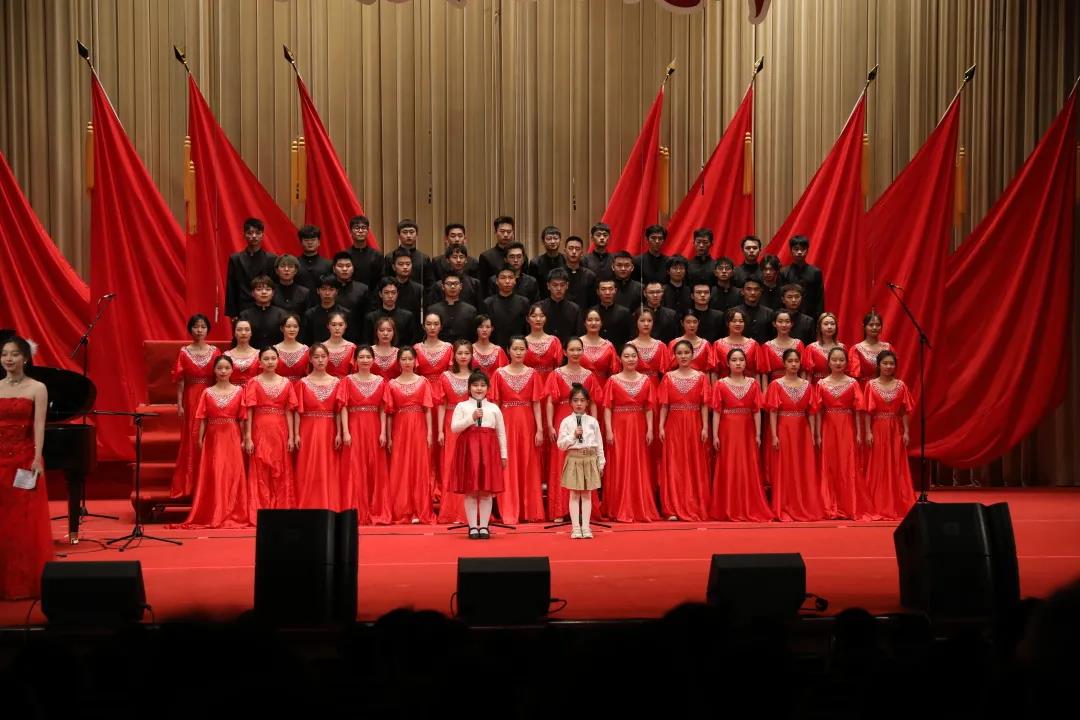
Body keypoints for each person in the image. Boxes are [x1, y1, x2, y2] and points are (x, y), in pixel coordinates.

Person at [0, 336, 53, 600]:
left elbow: (39, 425)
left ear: (26, 358)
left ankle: (23, 583)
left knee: (22, 523)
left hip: (23, 459)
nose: (8, 359)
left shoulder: (37, 388)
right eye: (4, 354)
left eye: (14, 354)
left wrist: (37, 458)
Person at [174, 355, 253, 528]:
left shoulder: (240, 391)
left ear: (232, 370)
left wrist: (245, 438)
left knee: (233, 472)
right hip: (213, 437)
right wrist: (200, 439)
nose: (223, 371)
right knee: (215, 472)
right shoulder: (207, 392)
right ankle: (214, 511)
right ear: (214, 371)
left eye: (227, 368)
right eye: (219, 368)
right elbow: (202, 418)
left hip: (232, 435)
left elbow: (243, 418)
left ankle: (233, 511)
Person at [710, 348, 773, 522]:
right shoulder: (720, 384)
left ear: (746, 363)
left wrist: (758, 434)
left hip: (747, 429)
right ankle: (728, 507)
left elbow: (757, 411)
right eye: (734, 360)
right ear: (727, 363)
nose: (738, 363)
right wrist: (715, 435)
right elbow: (716, 411)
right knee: (728, 464)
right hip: (727, 429)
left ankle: (749, 504)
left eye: (741, 360)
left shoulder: (753, 384)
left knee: (748, 464)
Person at [765, 349, 827, 521]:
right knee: (785, 466)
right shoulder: (776, 385)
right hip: (783, 428)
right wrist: (774, 435)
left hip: (802, 430)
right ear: (784, 363)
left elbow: (812, 412)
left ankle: (803, 504)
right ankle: (784, 505)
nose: (793, 364)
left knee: (802, 467)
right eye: (790, 361)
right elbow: (773, 411)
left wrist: (813, 434)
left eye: (796, 361)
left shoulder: (807, 385)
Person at [545, 337, 602, 522]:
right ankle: (559, 510)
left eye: (579, 349)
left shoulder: (589, 375)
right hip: (562, 420)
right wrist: (550, 425)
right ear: (565, 352)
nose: (576, 353)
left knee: (585, 461)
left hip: (585, 422)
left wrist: (594, 423)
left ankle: (585, 512)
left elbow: (593, 402)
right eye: (572, 349)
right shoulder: (556, 374)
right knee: (561, 463)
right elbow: (550, 401)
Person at [489, 337, 545, 524]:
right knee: (508, 464)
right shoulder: (499, 374)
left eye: (522, 349)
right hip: (505, 422)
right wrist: (494, 428)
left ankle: (529, 511)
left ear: (527, 351)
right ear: (508, 350)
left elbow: (536, 403)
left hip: (527, 423)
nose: (519, 352)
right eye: (515, 349)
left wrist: (540, 429)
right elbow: (495, 404)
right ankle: (509, 510)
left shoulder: (533, 374)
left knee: (528, 463)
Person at [603, 344, 660, 522]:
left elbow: (649, 407)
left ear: (638, 358)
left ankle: (639, 505)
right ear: (620, 359)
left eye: (633, 356)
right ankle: (618, 507)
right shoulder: (612, 380)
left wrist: (650, 429)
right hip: (619, 426)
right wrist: (609, 430)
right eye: (626, 356)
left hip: (639, 426)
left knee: (638, 463)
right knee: (620, 463)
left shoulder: (645, 380)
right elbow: (607, 407)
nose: (630, 359)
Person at [450, 371, 509, 539]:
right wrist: (471, 418)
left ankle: (484, 526)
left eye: (483, 385)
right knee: (471, 490)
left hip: (489, 451)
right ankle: (472, 527)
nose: (479, 388)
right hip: (469, 451)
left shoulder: (494, 408)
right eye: (475, 385)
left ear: (488, 388)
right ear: (469, 387)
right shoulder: (462, 406)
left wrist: (503, 455)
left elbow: (501, 433)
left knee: (486, 491)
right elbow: (454, 428)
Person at [657, 340, 712, 521]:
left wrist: (705, 427)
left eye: (686, 352)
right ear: (674, 356)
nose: (683, 356)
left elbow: (704, 405)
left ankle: (694, 504)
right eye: (679, 353)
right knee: (675, 464)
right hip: (674, 424)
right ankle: (672, 507)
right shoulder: (668, 377)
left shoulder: (701, 377)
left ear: (692, 354)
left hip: (695, 423)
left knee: (694, 463)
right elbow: (664, 405)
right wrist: (661, 426)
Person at [171, 314, 222, 498]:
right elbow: (180, 380)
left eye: (203, 326)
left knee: (210, 435)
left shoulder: (215, 352)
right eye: (196, 326)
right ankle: (190, 484)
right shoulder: (184, 352)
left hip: (211, 395)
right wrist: (179, 404)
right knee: (192, 437)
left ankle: (210, 484)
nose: (199, 330)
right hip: (191, 398)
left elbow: (220, 376)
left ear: (208, 329)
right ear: (190, 329)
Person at [861, 350, 915, 521]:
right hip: (877, 427)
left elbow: (904, 411)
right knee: (878, 465)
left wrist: (906, 431)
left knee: (896, 464)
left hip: (895, 428)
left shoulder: (901, 385)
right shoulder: (871, 385)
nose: (888, 366)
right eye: (885, 363)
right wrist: (868, 431)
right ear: (878, 365)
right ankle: (877, 503)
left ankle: (898, 503)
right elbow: (867, 412)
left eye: (891, 363)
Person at [384, 347, 436, 524]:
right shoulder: (391, 384)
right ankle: (402, 510)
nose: (407, 362)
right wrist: (389, 436)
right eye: (403, 359)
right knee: (400, 467)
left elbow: (427, 409)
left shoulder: (423, 382)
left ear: (416, 361)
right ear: (398, 362)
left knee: (419, 466)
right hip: (399, 427)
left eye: (410, 359)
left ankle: (420, 510)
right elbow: (389, 413)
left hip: (419, 426)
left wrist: (430, 432)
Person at [340, 345, 391, 525]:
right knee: (355, 467)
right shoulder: (347, 381)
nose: (365, 360)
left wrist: (383, 432)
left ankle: (376, 509)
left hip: (374, 426)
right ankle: (356, 510)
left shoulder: (381, 381)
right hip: (354, 425)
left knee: (374, 467)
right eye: (361, 357)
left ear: (373, 360)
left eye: (368, 357)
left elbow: (383, 409)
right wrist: (345, 431)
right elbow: (343, 407)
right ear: (355, 360)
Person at [243, 347, 298, 511]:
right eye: (266, 359)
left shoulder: (286, 383)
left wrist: (291, 436)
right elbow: (249, 410)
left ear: (278, 360)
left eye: (273, 358)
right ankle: (261, 509)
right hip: (259, 429)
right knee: (261, 467)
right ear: (259, 362)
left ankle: (281, 508)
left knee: (280, 467)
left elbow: (289, 411)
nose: (270, 362)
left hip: (280, 430)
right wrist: (248, 436)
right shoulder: (253, 382)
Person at [815, 347, 865, 520]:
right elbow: (818, 411)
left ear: (847, 362)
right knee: (830, 464)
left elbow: (858, 410)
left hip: (847, 426)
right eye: (834, 360)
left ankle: (849, 505)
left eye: (841, 360)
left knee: (846, 464)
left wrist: (859, 432)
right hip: (828, 426)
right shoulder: (821, 383)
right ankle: (830, 505)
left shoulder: (853, 383)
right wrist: (818, 434)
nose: (838, 363)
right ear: (828, 362)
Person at [294, 344, 345, 511]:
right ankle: (308, 505)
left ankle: (329, 505)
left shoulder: (337, 382)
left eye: (323, 356)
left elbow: (338, 410)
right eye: (316, 357)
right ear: (310, 359)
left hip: (329, 428)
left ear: (328, 358)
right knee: (308, 465)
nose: (320, 360)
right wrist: (296, 434)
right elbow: (297, 412)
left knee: (328, 466)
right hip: (308, 429)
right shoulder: (302, 383)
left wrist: (339, 432)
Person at [557, 384, 605, 539]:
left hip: (589, 458)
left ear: (587, 403)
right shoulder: (566, 422)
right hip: (574, 458)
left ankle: (586, 527)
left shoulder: (592, 422)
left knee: (586, 494)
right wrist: (573, 436)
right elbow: (561, 445)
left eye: (582, 400)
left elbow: (599, 444)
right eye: (575, 400)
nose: (579, 403)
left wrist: (601, 463)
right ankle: (576, 528)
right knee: (574, 494)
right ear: (570, 402)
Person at [435, 340, 474, 525]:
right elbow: (441, 404)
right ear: (454, 356)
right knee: (451, 464)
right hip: (451, 423)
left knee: (470, 464)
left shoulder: (476, 377)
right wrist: (440, 430)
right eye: (460, 353)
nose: (463, 356)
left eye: (467, 353)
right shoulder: (445, 376)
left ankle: (470, 512)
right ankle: (452, 511)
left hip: (472, 423)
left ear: (472, 355)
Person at [225, 217, 277, 319]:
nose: (254, 236)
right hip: (242, 307)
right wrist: (232, 314)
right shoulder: (236, 259)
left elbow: (274, 286)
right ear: (244, 235)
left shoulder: (271, 258)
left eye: (257, 233)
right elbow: (231, 287)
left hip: (265, 307)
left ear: (262, 235)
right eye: (250, 233)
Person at [362, 279, 419, 347]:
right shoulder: (371, 317)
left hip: (401, 352)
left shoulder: (407, 316)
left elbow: (411, 342)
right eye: (386, 292)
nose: (390, 296)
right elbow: (368, 342)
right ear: (380, 294)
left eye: (393, 292)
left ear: (397, 294)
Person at [483, 266, 530, 348]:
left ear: (515, 281)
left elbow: (527, 328)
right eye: (503, 278)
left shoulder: (524, 302)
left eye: (511, 278)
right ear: (497, 281)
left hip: (518, 348)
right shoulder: (488, 303)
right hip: (494, 347)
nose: (507, 281)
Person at [781, 234, 825, 319]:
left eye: (803, 249)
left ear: (807, 250)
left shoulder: (815, 272)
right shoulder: (784, 272)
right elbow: (781, 298)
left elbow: (819, 298)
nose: (799, 252)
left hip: (811, 316)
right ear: (791, 250)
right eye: (796, 249)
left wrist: (820, 318)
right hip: (789, 317)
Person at [426, 271, 477, 343]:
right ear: (443, 286)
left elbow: (474, 337)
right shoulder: (433, 310)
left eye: (456, 284)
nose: (452, 286)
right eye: (449, 284)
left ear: (461, 286)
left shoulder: (471, 311)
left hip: (464, 349)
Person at [759, 310, 806, 387]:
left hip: (796, 385)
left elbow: (803, 370)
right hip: (775, 387)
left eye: (787, 322)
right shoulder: (767, 346)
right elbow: (765, 374)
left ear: (792, 324)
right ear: (774, 324)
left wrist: (804, 387)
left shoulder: (799, 344)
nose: (784, 325)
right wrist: (765, 393)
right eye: (780, 321)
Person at [383, 218, 434, 287]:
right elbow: (385, 281)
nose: (408, 235)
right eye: (405, 232)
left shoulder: (424, 258)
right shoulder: (390, 257)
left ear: (416, 234)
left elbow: (429, 284)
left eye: (411, 232)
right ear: (399, 235)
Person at [537, 268, 581, 345]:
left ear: (567, 285)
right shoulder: (539, 308)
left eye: (562, 285)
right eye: (555, 285)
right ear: (548, 286)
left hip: (567, 349)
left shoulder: (575, 309)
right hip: (543, 348)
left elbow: (578, 335)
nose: (559, 288)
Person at [714, 308, 760, 379]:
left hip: (748, 383)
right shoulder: (718, 344)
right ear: (727, 323)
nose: (738, 324)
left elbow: (757, 371)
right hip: (724, 384)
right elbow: (714, 371)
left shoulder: (753, 344)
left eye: (741, 321)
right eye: (734, 321)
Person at [802, 312, 847, 384]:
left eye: (832, 324)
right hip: (816, 387)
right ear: (819, 327)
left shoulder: (842, 347)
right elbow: (807, 375)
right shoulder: (811, 348)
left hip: (838, 385)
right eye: (826, 324)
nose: (829, 327)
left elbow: (846, 372)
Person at [850, 311, 893, 386]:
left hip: (885, 387)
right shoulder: (856, 349)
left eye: (878, 325)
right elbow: (854, 377)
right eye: (871, 325)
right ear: (864, 326)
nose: (874, 328)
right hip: (864, 388)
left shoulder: (888, 347)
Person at [589, 279, 633, 349]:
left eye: (610, 289)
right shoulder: (591, 312)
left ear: (615, 290)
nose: (607, 292)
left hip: (618, 351)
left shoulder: (624, 312)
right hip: (595, 350)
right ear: (598, 292)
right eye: (603, 289)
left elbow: (629, 337)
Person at [478, 215, 517, 297]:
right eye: (502, 231)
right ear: (495, 232)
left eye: (509, 231)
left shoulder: (520, 256)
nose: (506, 235)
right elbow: (483, 286)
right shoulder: (486, 256)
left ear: (513, 232)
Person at [301, 274, 346, 345]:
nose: (327, 293)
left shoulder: (345, 313)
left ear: (336, 291)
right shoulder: (310, 314)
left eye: (331, 289)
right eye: (323, 289)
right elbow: (306, 340)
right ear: (318, 291)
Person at [630, 308, 672, 381]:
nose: (646, 324)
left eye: (649, 321)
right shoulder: (630, 346)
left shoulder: (661, 346)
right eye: (642, 320)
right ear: (636, 322)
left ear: (653, 323)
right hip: (635, 383)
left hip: (656, 384)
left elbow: (667, 373)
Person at [668, 313, 715, 378]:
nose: (692, 325)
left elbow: (708, 371)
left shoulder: (705, 344)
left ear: (698, 323)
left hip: (700, 381)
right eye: (688, 322)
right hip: (678, 379)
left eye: (695, 322)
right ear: (682, 323)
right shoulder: (673, 343)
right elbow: (669, 368)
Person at [523, 304, 564, 380]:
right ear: (527, 319)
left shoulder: (554, 341)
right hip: (530, 382)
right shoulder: (522, 343)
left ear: (546, 318)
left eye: (542, 316)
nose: (538, 319)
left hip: (551, 382)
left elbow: (559, 367)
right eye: (533, 316)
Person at [345, 215, 385, 291]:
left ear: (368, 231)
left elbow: (381, 280)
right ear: (351, 231)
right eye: (357, 228)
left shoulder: (377, 255)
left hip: (372, 295)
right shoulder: (345, 255)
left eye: (363, 228)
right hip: (350, 295)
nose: (360, 231)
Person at [579, 309, 619, 383]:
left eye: (597, 320)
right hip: (580, 387)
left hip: (603, 386)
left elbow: (614, 372)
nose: (593, 323)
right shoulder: (577, 343)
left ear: (601, 323)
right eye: (590, 320)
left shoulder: (608, 346)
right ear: (585, 323)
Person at [733, 277, 775, 344]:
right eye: (748, 289)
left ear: (761, 291)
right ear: (742, 291)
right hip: (740, 349)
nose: (752, 292)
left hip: (763, 349)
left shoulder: (769, 313)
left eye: (756, 289)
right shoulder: (733, 312)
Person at [387, 247, 425, 320]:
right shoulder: (388, 288)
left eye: (408, 264)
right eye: (401, 264)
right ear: (394, 267)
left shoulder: (419, 289)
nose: (405, 267)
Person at [528, 226, 566, 296]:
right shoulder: (535, 263)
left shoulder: (566, 260)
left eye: (555, 238)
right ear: (543, 241)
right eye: (549, 239)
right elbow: (533, 287)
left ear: (560, 240)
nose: (552, 241)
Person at [562, 235, 598, 309]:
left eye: (577, 249)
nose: (574, 252)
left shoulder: (590, 276)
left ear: (582, 253)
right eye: (571, 248)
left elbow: (594, 303)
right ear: (565, 251)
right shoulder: (557, 274)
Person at [295, 223, 333, 291]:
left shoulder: (328, 264)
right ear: (301, 242)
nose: (310, 243)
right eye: (306, 240)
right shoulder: (295, 264)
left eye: (313, 240)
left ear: (319, 242)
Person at [274, 314, 310, 384]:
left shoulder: (306, 350)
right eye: (288, 326)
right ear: (282, 328)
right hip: (280, 387)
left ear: (299, 328)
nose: (292, 330)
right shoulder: (274, 350)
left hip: (300, 387)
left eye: (295, 326)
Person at [224, 319, 260, 386]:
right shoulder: (226, 355)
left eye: (247, 330)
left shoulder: (259, 355)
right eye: (239, 330)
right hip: (232, 391)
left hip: (253, 390)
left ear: (251, 333)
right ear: (234, 333)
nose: (243, 333)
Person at [323, 312, 357, 377]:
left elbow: (355, 372)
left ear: (346, 325)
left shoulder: (352, 348)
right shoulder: (321, 348)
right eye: (333, 325)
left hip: (346, 382)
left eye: (341, 325)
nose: (337, 328)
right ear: (328, 326)